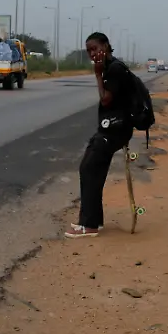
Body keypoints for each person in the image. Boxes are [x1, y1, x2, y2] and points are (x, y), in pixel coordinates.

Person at [65, 33, 133, 238]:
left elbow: (105, 100)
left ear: (106, 46)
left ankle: (90, 225)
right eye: (89, 51)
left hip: (115, 130)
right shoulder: (110, 67)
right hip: (111, 129)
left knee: (89, 168)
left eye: (95, 48)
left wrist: (97, 75)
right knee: (93, 170)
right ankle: (93, 221)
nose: (93, 54)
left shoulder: (113, 69)